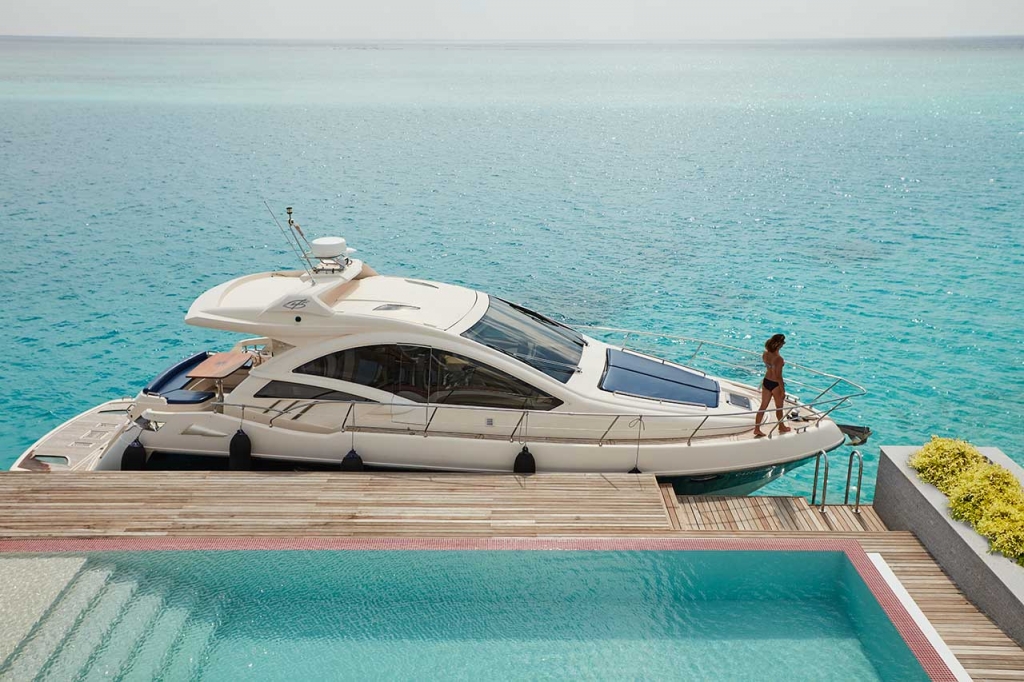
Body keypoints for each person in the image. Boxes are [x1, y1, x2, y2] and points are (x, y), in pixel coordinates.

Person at [753, 333, 792, 438]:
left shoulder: (765, 354)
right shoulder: (779, 359)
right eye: (783, 342)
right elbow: (778, 376)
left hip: (766, 381)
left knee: (763, 407)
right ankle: (781, 426)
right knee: (779, 407)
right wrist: (783, 390)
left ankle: (757, 428)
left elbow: (769, 368)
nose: (783, 344)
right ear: (779, 344)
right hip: (775, 384)